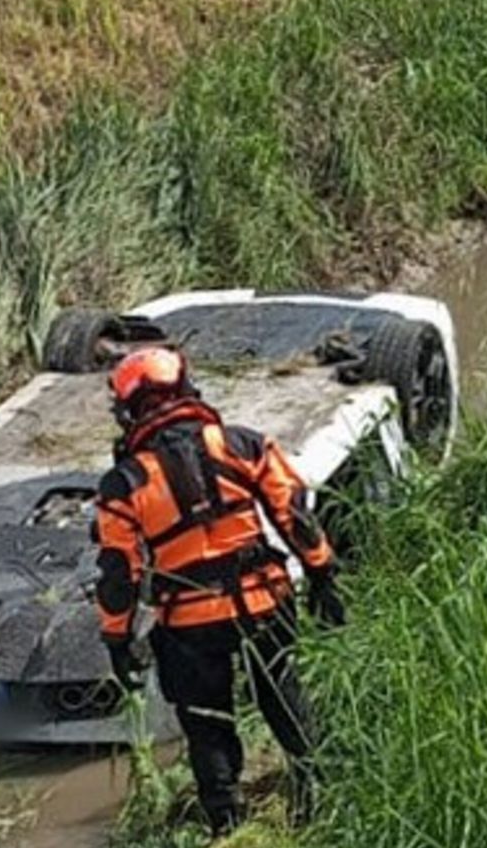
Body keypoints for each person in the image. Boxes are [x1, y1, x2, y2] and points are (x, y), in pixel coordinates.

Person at [92, 346, 346, 838]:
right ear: (187, 388)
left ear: (128, 410)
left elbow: (118, 574)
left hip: (190, 624)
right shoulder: (242, 445)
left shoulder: (123, 484)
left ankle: (227, 824)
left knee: (206, 721)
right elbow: (294, 514)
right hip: (265, 604)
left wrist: (117, 642)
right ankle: (316, 795)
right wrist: (323, 576)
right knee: (283, 693)